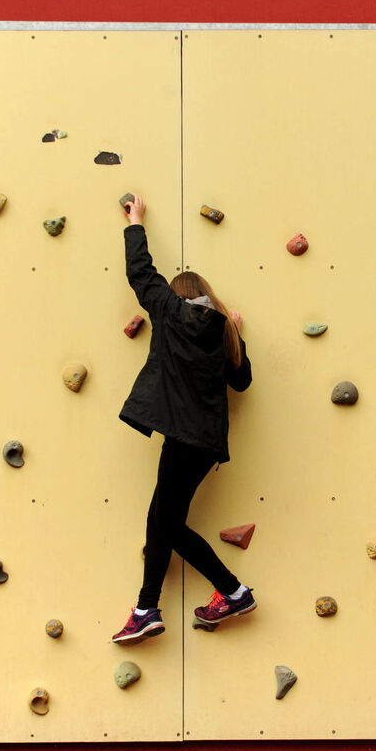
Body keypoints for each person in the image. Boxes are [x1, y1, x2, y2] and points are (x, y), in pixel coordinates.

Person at [111, 193, 256, 645]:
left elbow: (142, 273)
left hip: (182, 439)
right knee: (162, 518)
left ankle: (232, 591)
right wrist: (238, 334)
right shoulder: (223, 330)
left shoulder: (171, 314)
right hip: (205, 443)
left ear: (179, 298)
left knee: (165, 523)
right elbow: (243, 381)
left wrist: (135, 222)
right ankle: (146, 608)